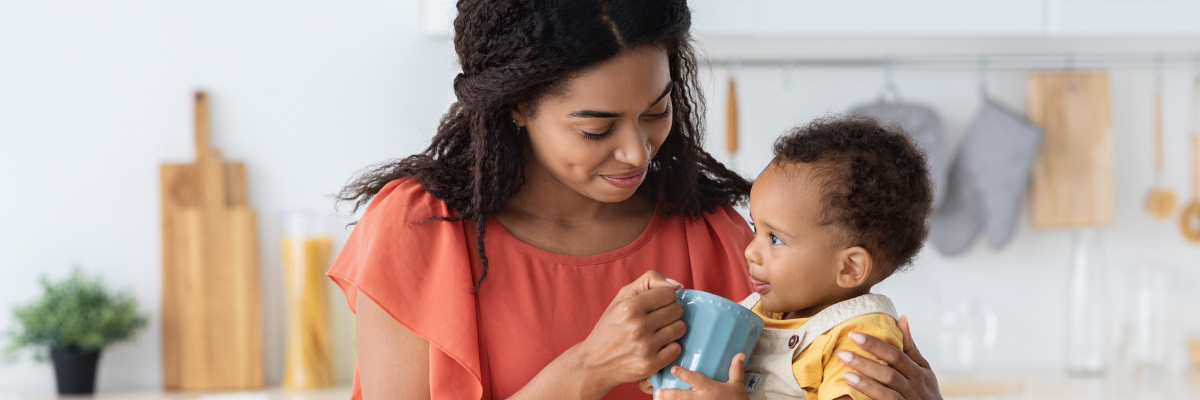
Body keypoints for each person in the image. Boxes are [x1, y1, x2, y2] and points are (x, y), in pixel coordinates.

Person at [326, 0, 944, 399]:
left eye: (657, 112)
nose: (637, 153)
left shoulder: (713, 235)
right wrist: (586, 370)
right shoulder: (419, 231)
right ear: (515, 104)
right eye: (596, 129)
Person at [652, 117, 934, 400]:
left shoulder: (861, 341)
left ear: (849, 268)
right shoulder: (759, 311)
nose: (750, 251)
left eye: (775, 239)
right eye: (755, 229)